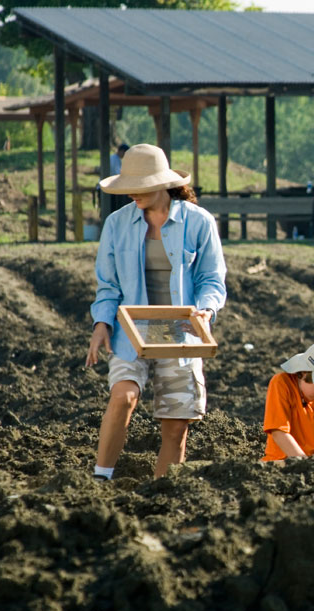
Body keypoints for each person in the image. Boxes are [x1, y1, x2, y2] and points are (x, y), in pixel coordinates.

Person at [85, 144, 227, 479]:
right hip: (131, 329)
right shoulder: (117, 224)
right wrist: (102, 323)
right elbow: (108, 284)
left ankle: (163, 490)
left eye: (141, 186)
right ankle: (101, 476)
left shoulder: (199, 223)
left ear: (163, 184)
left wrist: (206, 311)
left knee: (177, 424)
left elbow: (211, 279)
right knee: (124, 396)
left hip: (180, 330)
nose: (133, 193)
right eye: (129, 186)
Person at [261, 340, 314, 461]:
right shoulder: (282, 384)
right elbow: (279, 432)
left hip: (313, 468)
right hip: (279, 464)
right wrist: (303, 464)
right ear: (303, 373)